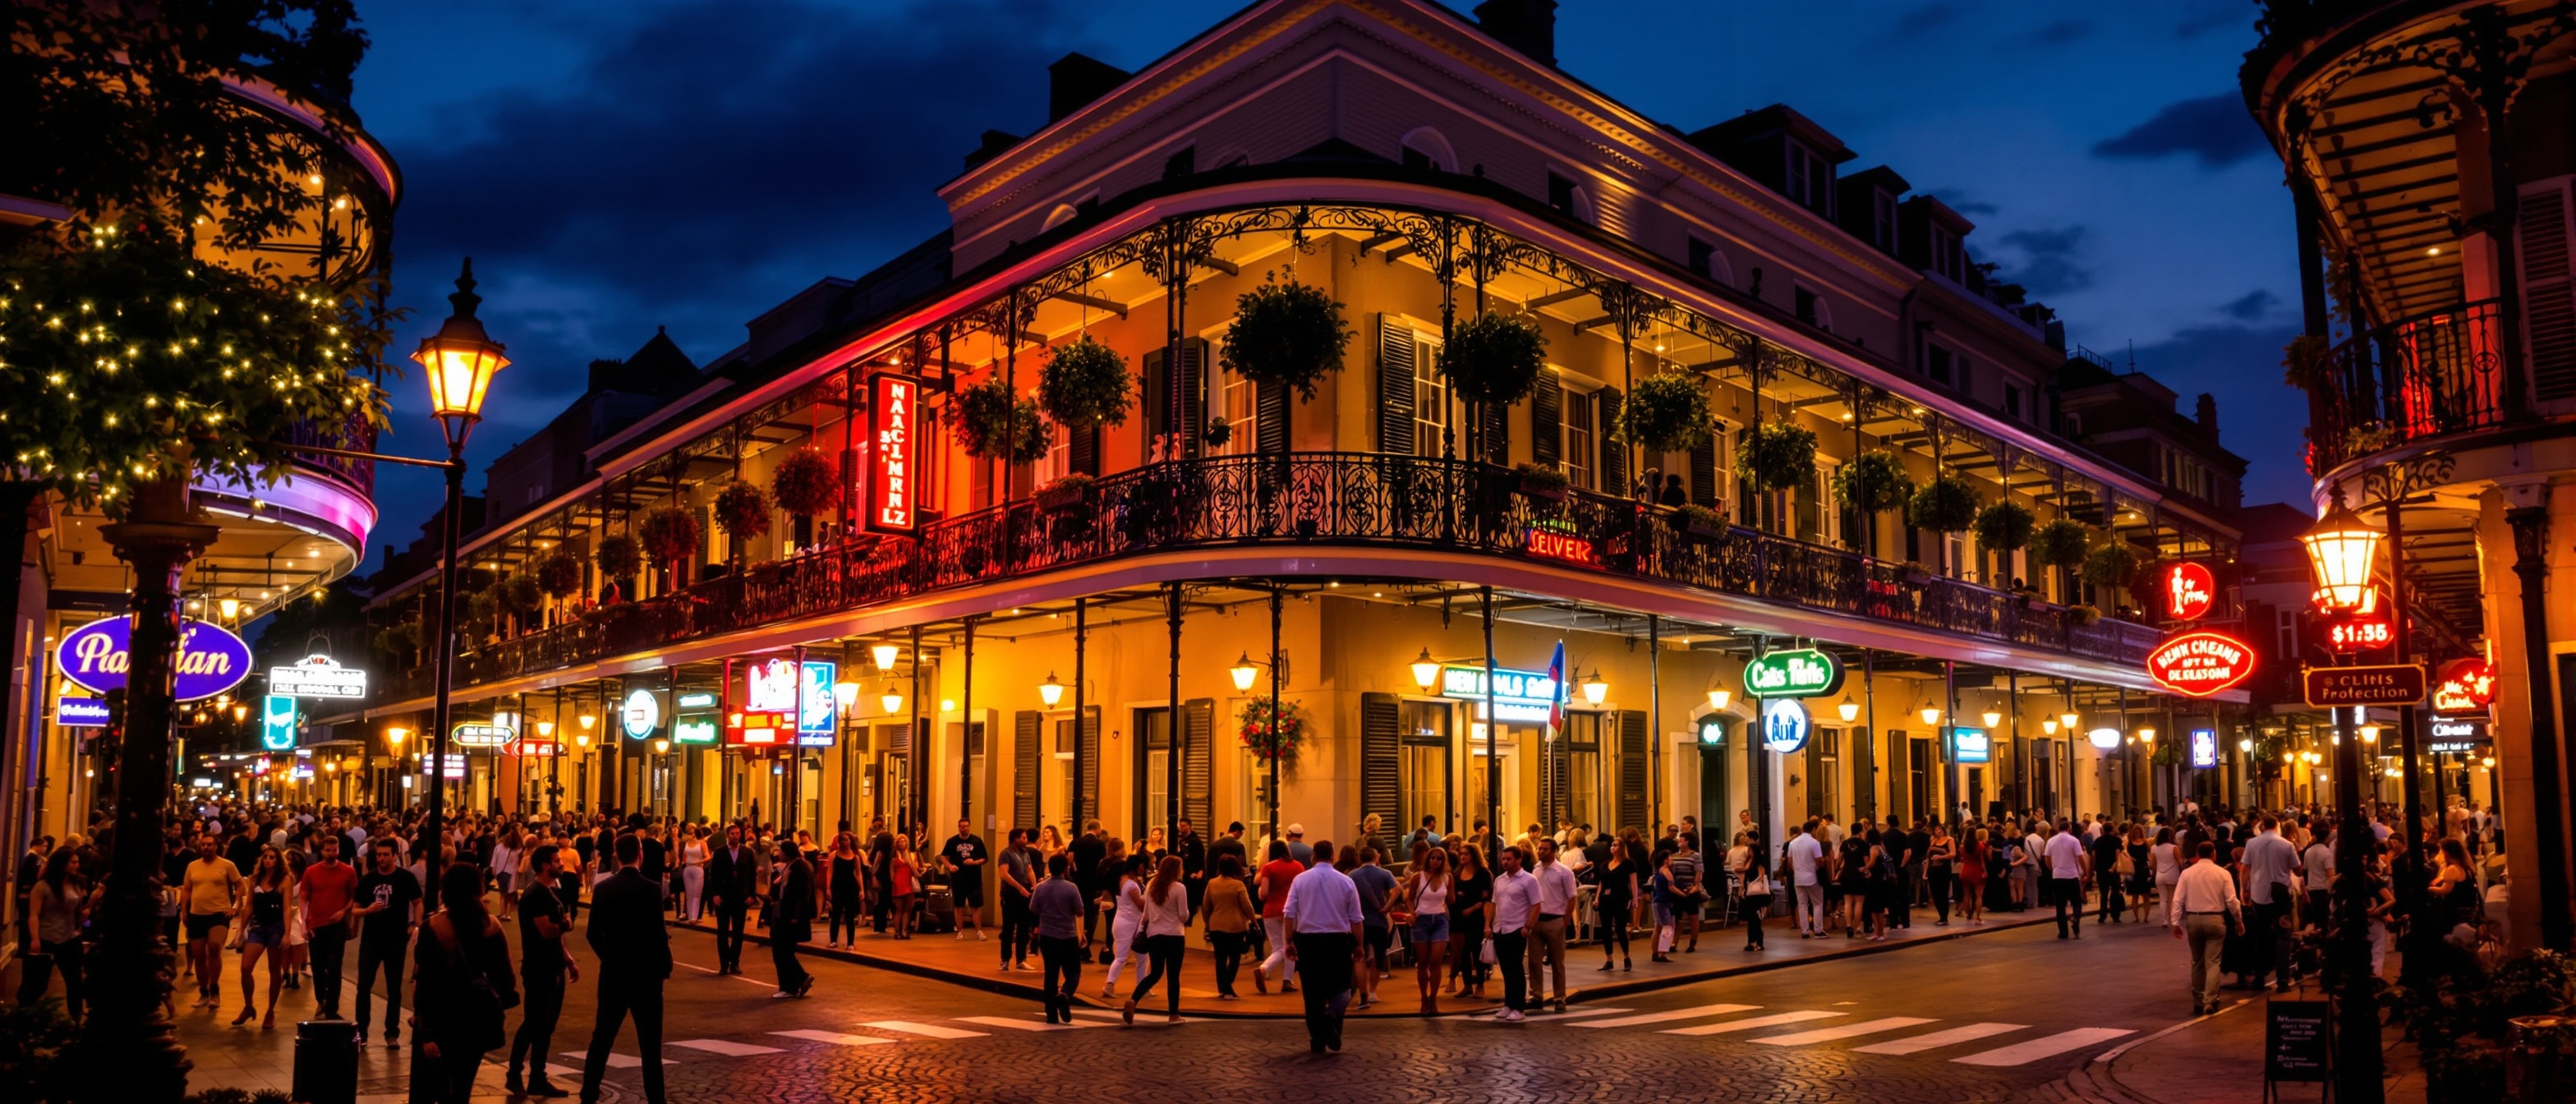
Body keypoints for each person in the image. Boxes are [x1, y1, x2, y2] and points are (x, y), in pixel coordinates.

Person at [412, 863, 518, 1104]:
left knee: (439, 1083)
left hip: (442, 1014)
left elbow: (424, 980)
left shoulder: (434, 927)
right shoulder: (490, 925)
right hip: (477, 1017)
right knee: (463, 1085)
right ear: (479, 888)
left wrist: (425, 1029)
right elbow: (505, 976)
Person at [581, 831, 672, 1104]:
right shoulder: (650, 889)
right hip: (646, 975)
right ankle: (656, 1098)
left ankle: (589, 1092)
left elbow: (592, 933)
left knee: (602, 1038)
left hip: (614, 973)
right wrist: (664, 965)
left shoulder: (604, 889)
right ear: (640, 854)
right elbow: (658, 932)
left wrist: (609, 957)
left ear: (617, 856)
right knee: (650, 1044)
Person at [507, 844, 579, 1098]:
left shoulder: (551, 891)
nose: (561, 863)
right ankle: (514, 1074)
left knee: (546, 1026)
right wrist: (565, 925)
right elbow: (547, 930)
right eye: (557, 860)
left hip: (554, 967)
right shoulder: (536, 894)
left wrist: (568, 959)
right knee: (533, 1023)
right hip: (539, 969)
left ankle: (538, 1077)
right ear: (545, 866)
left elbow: (554, 936)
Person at [1281, 841, 1362, 1051]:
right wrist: (1359, 944)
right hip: (1338, 939)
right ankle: (1333, 1016)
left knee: (1312, 990)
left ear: (1313, 856)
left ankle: (1317, 1038)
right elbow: (1356, 918)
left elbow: (1289, 914)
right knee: (1343, 987)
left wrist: (1288, 941)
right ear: (1333, 856)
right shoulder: (1346, 882)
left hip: (1308, 940)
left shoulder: (1300, 880)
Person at [351, 839, 421, 1047]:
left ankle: (392, 1033)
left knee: (394, 988)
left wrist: (415, 925)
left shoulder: (405, 877)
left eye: (385, 855)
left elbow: (418, 902)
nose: (381, 859)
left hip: (396, 939)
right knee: (363, 986)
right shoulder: (368, 879)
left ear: (395, 855)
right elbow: (355, 909)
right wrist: (367, 911)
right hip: (371, 939)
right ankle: (361, 1031)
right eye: (379, 855)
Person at [2167, 840, 2242, 1016]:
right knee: (2213, 961)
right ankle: (2211, 999)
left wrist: (2175, 922)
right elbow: (2232, 901)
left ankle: (2198, 1001)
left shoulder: (2187, 874)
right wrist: (2239, 921)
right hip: (2215, 919)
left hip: (2194, 918)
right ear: (2214, 854)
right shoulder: (2223, 873)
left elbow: (2178, 899)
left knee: (2197, 961)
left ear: (2198, 854)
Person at [1120, 856, 1193, 1027]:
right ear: (1177, 870)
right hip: (1174, 935)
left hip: (1154, 935)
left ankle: (1133, 1000)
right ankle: (1173, 1015)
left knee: (1155, 973)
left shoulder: (1152, 885)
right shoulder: (1179, 888)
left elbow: (1145, 915)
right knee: (1173, 976)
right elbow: (1183, 915)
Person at [230, 845, 296, 1028]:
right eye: (266, 857)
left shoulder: (284, 880)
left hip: (276, 927)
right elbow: (249, 905)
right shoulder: (255, 879)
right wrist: (241, 929)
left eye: (272, 857)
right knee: (246, 967)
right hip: (258, 926)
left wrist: (287, 933)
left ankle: (270, 1011)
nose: (268, 860)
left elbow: (286, 908)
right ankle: (249, 1006)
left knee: (274, 970)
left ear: (278, 861)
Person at [23, 849, 90, 1020]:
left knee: (75, 983)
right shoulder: (43, 886)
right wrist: (35, 938)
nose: (77, 865)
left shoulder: (76, 885)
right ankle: (26, 1018)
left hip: (71, 939)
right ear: (61, 864)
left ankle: (75, 1020)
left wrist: (85, 918)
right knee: (37, 984)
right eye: (73, 862)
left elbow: (77, 915)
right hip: (47, 938)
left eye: (77, 862)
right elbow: (34, 914)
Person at [297, 832, 356, 1019]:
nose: (332, 853)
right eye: (328, 850)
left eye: (335, 850)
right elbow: (304, 897)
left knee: (334, 966)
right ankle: (321, 1000)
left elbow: (355, 897)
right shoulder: (311, 872)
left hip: (337, 926)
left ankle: (332, 1007)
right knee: (318, 967)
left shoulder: (348, 871)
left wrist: (344, 911)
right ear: (322, 851)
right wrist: (304, 922)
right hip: (316, 924)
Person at [184, 832, 245, 1011]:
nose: (206, 847)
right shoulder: (192, 866)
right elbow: (187, 889)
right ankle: (203, 992)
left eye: (210, 844)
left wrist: (235, 904)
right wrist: (184, 911)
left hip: (219, 914)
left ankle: (214, 989)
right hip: (196, 914)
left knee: (213, 948)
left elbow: (240, 885)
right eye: (203, 845)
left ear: (216, 846)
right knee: (199, 956)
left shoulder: (227, 865)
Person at [2240, 817, 2298, 990]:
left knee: (2261, 936)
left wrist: (2245, 890)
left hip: (2259, 896)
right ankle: (2282, 980)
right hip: (2281, 897)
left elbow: (2245, 868)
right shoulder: (2287, 845)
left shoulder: (2252, 844)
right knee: (2283, 937)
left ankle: (2259, 977)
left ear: (2263, 826)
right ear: (2277, 826)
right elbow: (2298, 869)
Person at [1031, 854, 1086, 1023]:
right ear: (1065, 869)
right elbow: (1079, 911)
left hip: (1047, 935)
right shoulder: (1071, 888)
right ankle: (1065, 993)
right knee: (1073, 972)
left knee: (1051, 973)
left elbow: (1033, 908)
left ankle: (1051, 1013)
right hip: (1067, 936)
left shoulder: (1041, 888)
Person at [1488, 845, 1539, 1022]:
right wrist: (1489, 924)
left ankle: (1519, 1007)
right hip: (1500, 927)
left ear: (1518, 860)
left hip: (1517, 928)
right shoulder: (1499, 880)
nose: (1505, 862)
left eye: (1509, 859)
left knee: (1516, 968)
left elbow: (1536, 904)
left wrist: (1528, 926)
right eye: (1503, 859)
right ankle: (1508, 1004)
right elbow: (1494, 903)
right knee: (1505, 969)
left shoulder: (1528, 880)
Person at [1526, 838, 1578, 1008]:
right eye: (1539, 849)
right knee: (1534, 961)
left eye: (1544, 849)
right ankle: (1536, 995)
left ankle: (1559, 998)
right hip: (1537, 919)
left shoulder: (1564, 872)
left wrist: (1564, 922)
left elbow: (1572, 898)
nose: (1540, 852)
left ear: (1553, 851)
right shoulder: (1535, 870)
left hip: (1555, 919)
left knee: (1557, 962)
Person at [1398, 847, 1451, 1009]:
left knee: (1436, 960)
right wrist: (1412, 913)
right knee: (1423, 961)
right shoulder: (1417, 877)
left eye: (1439, 859)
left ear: (1443, 861)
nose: (1435, 861)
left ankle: (1433, 997)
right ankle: (1423, 997)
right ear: (1428, 859)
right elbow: (1409, 899)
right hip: (1422, 919)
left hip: (1440, 919)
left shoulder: (1447, 878)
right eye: (1433, 858)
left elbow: (1452, 899)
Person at [1199, 854, 1257, 999]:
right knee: (1235, 958)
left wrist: (1207, 922)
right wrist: (1253, 921)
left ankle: (1224, 988)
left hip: (1216, 925)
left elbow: (1206, 906)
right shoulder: (1238, 885)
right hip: (1236, 926)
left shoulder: (1212, 883)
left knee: (1220, 958)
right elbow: (1247, 906)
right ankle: (1227, 985)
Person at [1348, 846, 1397, 1010]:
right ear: (1376, 857)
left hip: (1358, 921)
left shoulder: (1353, 875)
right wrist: (1387, 906)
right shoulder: (1385, 874)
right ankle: (1373, 991)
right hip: (1379, 920)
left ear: (1360, 858)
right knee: (1378, 956)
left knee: (1359, 956)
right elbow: (1397, 889)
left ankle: (1363, 992)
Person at [1254, 840, 1304, 994]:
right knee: (1289, 946)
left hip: (1271, 910)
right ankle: (1285, 980)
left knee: (1278, 947)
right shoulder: (1298, 867)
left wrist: (1259, 891)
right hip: (1291, 911)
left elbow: (1264, 894)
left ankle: (1265, 969)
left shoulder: (1268, 868)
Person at [770, 840, 818, 999]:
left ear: (788, 852)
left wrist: (796, 915)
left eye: (781, 851)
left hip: (790, 916)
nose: (779, 854)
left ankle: (796, 981)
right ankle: (793, 983)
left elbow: (803, 894)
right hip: (784, 912)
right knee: (782, 950)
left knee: (782, 951)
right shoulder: (791, 866)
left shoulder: (799, 867)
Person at [706, 825, 757, 974]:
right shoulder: (720, 852)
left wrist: (752, 895)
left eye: (738, 833)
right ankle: (724, 962)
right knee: (722, 931)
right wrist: (714, 894)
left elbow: (752, 876)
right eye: (733, 834)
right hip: (723, 896)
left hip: (740, 897)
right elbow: (713, 875)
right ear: (728, 835)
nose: (736, 836)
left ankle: (735, 962)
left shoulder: (747, 852)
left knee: (738, 932)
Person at [1101, 857, 1146, 999]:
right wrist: (1150, 897)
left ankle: (1142, 987)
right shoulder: (1132, 885)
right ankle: (1109, 985)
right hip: (1129, 923)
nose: (1144, 869)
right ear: (1137, 866)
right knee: (1122, 957)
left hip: (1125, 922)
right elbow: (1141, 905)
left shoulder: (1123, 880)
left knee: (1142, 957)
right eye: (1142, 866)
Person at [997, 828, 1038, 971]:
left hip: (1025, 894)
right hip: (1010, 894)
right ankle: (1005, 960)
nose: (1026, 840)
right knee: (1008, 928)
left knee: (1023, 927)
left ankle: (1021, 959)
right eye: (1023, 838)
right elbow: (1004, 874)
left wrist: (1035, 886)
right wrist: (1019, 887)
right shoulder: (1006, 854)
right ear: (1015, 839)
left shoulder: (1025, 853)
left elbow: (1030, 870)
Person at [941, 820, 988, 942]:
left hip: (974, 878)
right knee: (959, 906)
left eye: (967, 826)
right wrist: (950, 866)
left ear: (969, 827)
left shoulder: (977, 841)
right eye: (962, 827)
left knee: (976, 906)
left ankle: (979, 931)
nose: (965, 829)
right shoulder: (952, 841)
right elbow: (943, 856)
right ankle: (960, 931)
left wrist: (974, 862)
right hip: (958, 879)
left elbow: (984, 858)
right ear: (958, 828)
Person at [1594, 840, 1637, 970]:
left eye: (1616, 845)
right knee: (1606, 929)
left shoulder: (1628, 863)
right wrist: (1597, 898)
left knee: (1620, 928)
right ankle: (1609, 959)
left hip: (1621, 898)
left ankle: (1626, 957)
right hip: (1605, 899)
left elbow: (1633, 882)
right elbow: (1601, 883)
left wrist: (1634, 899)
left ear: (1622, 847)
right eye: (1612, 845)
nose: (1613, 847)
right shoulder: (1605, 864)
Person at [2044, 822, 2088, 940]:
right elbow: (2080, 857)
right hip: (2071, 875)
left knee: (2060, 906)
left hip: (2057, 876)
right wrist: (2086, 871)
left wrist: (2052, 867)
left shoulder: (2051, 841)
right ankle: (2075, 919)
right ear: (2069, 829)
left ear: (2059, 829)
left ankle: (2063, 932)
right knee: (2076, 902)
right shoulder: (2074, 841)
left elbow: (2047, 858)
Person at [1787, 821, 1828, 938]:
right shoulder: (1814, 843)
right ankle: (1818, 930)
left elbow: (1789, 862)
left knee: (1802, 904)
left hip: (1798, 878)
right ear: (1814, 829)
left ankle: (1804, 931)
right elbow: (1819, 860)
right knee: (1817, 903)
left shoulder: (1793, 843)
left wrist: (1796, 870)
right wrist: (1818, 866)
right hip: (1812, 876)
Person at [826, 832, 865, 950]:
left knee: (850, 916)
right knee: (836, 914)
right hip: (837, 886)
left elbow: (858, 874)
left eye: (847, 840)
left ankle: (850, 943)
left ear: (850, 842)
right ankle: (833, 940)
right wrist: (828, 887)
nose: (844, 842)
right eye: (842, 840)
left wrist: (861, 889)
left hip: (851, 887)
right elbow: (830, 872)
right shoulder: (834, 855)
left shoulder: (855, 857)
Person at [886, 834, 919, 938]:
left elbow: (915, 870)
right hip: (898, 883)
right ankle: (897, 931)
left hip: (908, 883)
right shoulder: (894, 856)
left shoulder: (911, 855)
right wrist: (893, 883)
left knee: (907, 909)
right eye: (899, 841)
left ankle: (904, 930)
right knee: (899, 909)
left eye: (903, 841)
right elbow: (891, 872)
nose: (901, 843)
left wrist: (918, 873)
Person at [678, 825, 709, 923]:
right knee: (689, 893)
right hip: (688, 868)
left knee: (697, 893)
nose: (688, 836)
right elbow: (684, 857)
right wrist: (683, 863)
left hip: (698, 868)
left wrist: (700, 862)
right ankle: (690, 916)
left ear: (695, 835)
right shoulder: (686, 844)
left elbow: (707, 856)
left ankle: (694, 917)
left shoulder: (702, 843)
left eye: (691, 834)